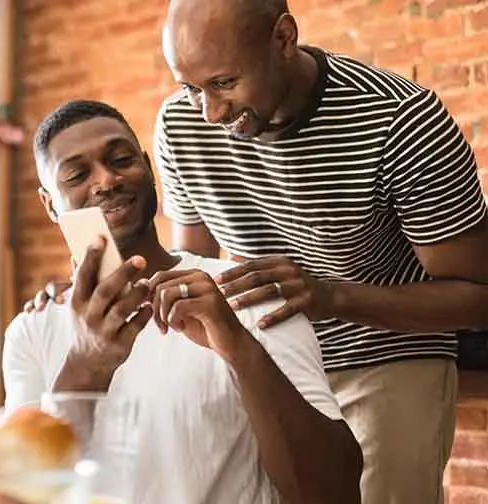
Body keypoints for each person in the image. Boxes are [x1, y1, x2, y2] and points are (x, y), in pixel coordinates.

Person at [27, 1, 488, 502]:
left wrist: (331, 298)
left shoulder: (402, 119)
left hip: (382, 359)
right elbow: (187, 266)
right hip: (263, 360)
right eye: (190, 87)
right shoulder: (182, 124)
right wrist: (83, 285)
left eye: (224, 83)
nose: (210, 112)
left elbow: (477, 296)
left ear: (284, 39)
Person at [3, 99, 363, 504]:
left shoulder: (246, 294)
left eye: (121, 159)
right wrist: (87, 366)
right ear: (50, 203)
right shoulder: (32, 331)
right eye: (77, 174)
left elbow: (335, 492)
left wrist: (238, 347)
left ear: (148, 167)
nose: (106, 180)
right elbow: (22, 494)